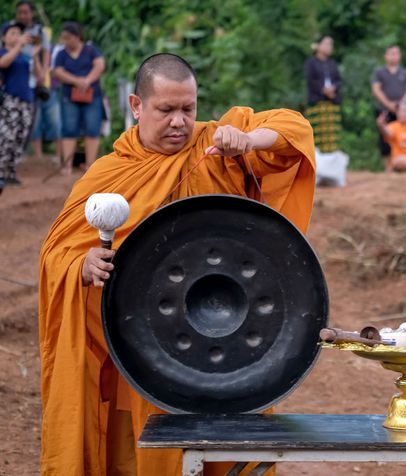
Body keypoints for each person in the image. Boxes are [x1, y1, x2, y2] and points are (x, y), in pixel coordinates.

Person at [38, 53, 316, 476]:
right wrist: (83, 264)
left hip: (222, 336)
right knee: (138, 453)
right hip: (142, 348)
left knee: (223, 444)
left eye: (188, 108)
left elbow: (295, 129)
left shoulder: (218, 148)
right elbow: (56, 253)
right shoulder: (110, 173)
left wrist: (249, 139)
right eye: (165, 109)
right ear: (136, 106)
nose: (179, 122)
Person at [52, 21, 105, 175]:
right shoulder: (61, 54)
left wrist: (87, 81)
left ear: (77, 37)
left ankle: (90, 165)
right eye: (63, 38)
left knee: (92, 129)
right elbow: (58, 72)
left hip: (92, 95)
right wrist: (77, 81)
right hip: (70, 96)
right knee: (69, 129)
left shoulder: (90, 50)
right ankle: (67, 165)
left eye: (67, 38)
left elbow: (100, 65)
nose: (65, 41)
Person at [0, 21, 40, 190]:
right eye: (13, 33)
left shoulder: (24, 55)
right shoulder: (5, 52)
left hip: (27, 100)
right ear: (4, 37)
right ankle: (1, 172)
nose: (17, 36)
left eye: (19, 33)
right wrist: (19, 46)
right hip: (10, 99)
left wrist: (35, 55)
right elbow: (3, 63)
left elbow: (38, 75)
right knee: (6, 136)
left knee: (20, 136)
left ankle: (11, 172)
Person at [371, 45, 406, 165]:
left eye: (396, 53)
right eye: (391, 53)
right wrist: (389, 104)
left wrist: (401, 105)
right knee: (385, 138)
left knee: (402, 135)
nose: (394, 56)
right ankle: (387, 166)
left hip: (402, 112)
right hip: (384, 110)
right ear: (386, 56)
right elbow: (376, 90)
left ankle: (403, 163)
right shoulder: (379, 72)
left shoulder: (405, 73)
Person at [304, 35, 341, 153]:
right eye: (326, 44)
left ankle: (331, 163)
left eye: (331, 44)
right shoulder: (311, 63)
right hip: (317, 101)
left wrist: (333, 89)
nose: (329, 47)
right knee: (317, 134)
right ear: (318, 46)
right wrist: (323, 90)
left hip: (332, 101)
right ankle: (316, 163)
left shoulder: (333, 63)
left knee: (331, 135)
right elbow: (311, 81)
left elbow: (339, 80)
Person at [30, 41, 63, 165]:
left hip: (51, 90)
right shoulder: (26, 48)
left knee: (56, 122)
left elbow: (54, 70)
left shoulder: (54, 49)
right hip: (32, 90)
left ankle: (59, 156)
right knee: (35, 124)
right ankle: (38, 157)